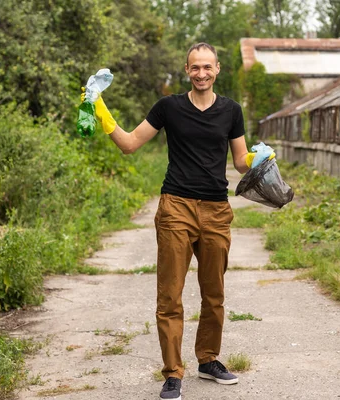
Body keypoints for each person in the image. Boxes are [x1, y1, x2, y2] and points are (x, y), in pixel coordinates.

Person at [92, 42, 271, 400]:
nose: (201, 73)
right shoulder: (168, 107)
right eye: (195, 68)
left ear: (217, 69)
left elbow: (237, 161)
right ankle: (173, 372)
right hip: (176, 207)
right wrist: (98, 106)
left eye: (208, 67)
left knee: (214, 292)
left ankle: (208, 360)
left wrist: (256, 158)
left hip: (216, 210)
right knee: (170, 294)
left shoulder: (231, 111)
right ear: (186, 70)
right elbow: (129, 144)